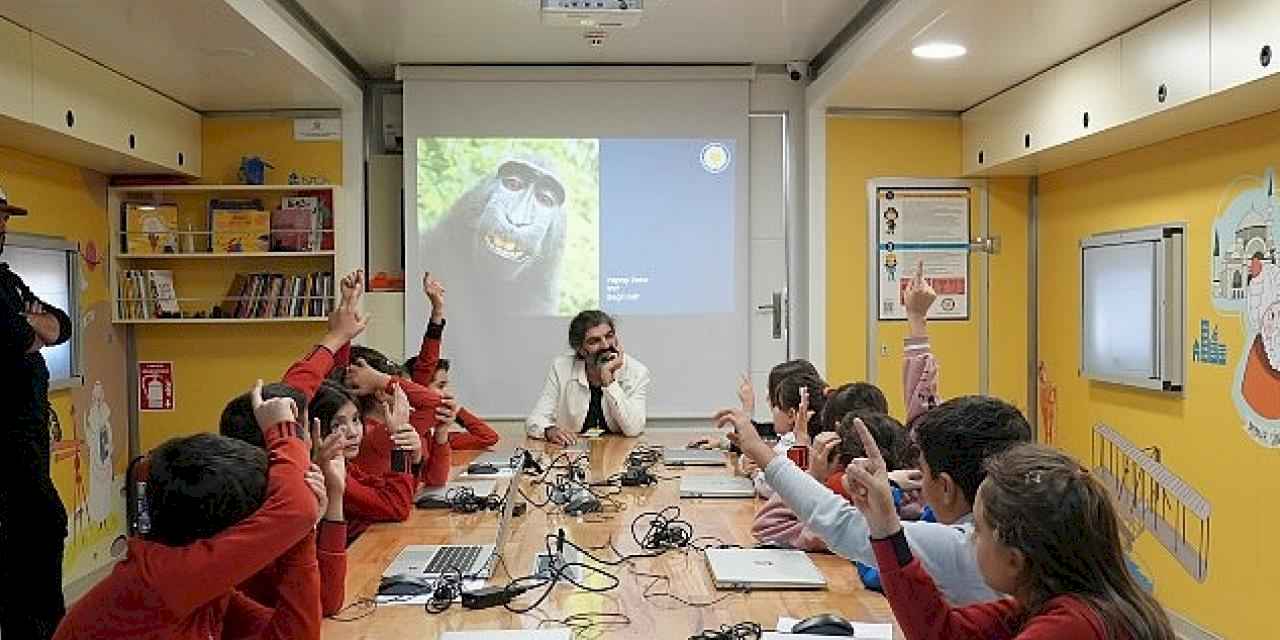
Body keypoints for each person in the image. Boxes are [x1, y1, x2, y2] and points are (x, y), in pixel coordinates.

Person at [845, 425, 1175, 640]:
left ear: (1015, 560)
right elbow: (943, 634)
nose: (971, 540)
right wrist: (884, 526)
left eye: (979, 531)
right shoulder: (1049, 603)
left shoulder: (1067, 627)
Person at [55, 382, 323, 639]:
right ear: (229, 531)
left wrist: (302, 534)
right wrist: (283, 431)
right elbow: (298, 510)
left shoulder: (195, 584)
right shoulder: (163, 581)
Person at [719, 394, 1032, 606]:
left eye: (923, 471)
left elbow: (841, 524)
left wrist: (758, 450)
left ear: (946, 488)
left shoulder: (966, 547)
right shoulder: (1025, 533)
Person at [0, 192, 74, 639]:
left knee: (42, 530)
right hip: (6, 444)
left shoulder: (7, 280)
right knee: (35, 533)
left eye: (5, 218)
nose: (3, 227)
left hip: (28, 442)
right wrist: (30, 328)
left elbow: (61, 325)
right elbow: (15, 338)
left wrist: (35, 326)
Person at [310, 380, 416, 544]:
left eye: (355, 420)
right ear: (314, 431)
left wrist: (415, 456)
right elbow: (396, 506)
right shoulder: (329, 473)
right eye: (337, 425)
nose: (353, 432)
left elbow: (386, 490)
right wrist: (400, 447)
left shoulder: (346, 465)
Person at [404, 273, 499, 450]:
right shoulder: (409, 429)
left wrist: (455, 410)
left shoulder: (437, 436)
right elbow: (427, 361)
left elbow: (489, 437)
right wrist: (437, 311)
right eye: (440, 386)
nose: (446, 393)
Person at [527, 310, 650, 444]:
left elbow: (634, 429)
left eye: (609, 336)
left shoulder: (636, 371)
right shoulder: (561, 367)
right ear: (580, 349)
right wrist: (549, 431)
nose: (605, 345)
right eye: (594, 341)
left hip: (618, 450)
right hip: (573, 450)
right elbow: (535, 420)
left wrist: (608, 380)